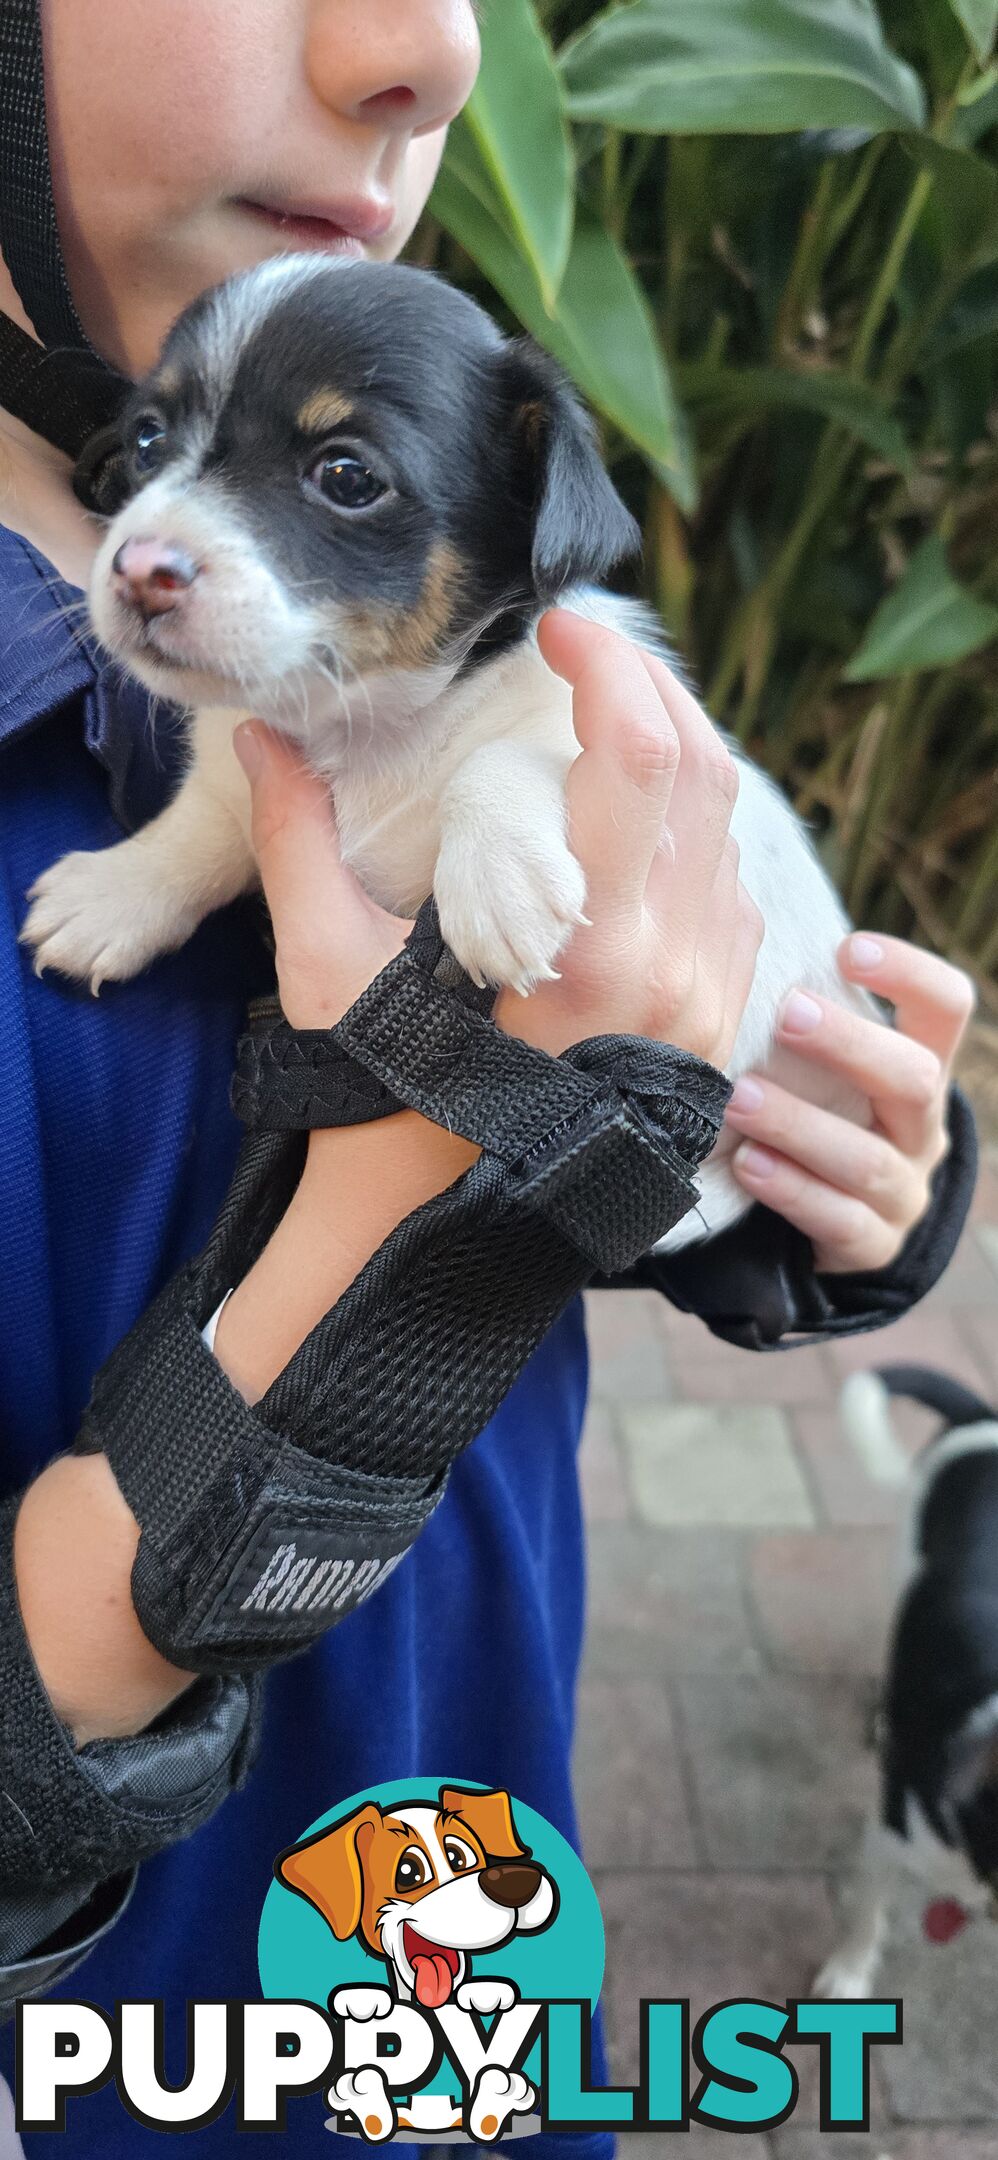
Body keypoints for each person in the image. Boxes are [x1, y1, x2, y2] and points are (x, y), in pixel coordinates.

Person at [0, 3, 977, 2153]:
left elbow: (686, 1108)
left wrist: (840, 1203)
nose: (433, 48)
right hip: (118, 1991)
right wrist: (408, 1192)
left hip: (447, 1870)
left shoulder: (462, 691)